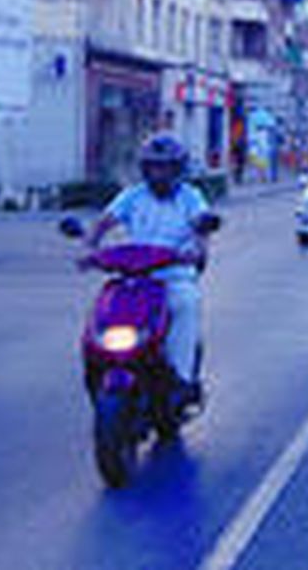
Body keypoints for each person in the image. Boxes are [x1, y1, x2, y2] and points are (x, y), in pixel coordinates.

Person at [86, 133, 218, 411]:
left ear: (178, 169)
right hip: (136, 275)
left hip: (174, 273)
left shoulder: (190, 197)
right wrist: (89, 246)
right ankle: (96, 366)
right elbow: (105, 222)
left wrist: (199, 247)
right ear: (145, 169)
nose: (160, 173)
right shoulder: (133, 196)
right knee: (106, 305)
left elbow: (201, 225)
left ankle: (182, 380)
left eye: (166, 167)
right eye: (154, 167)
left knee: (186, 303)